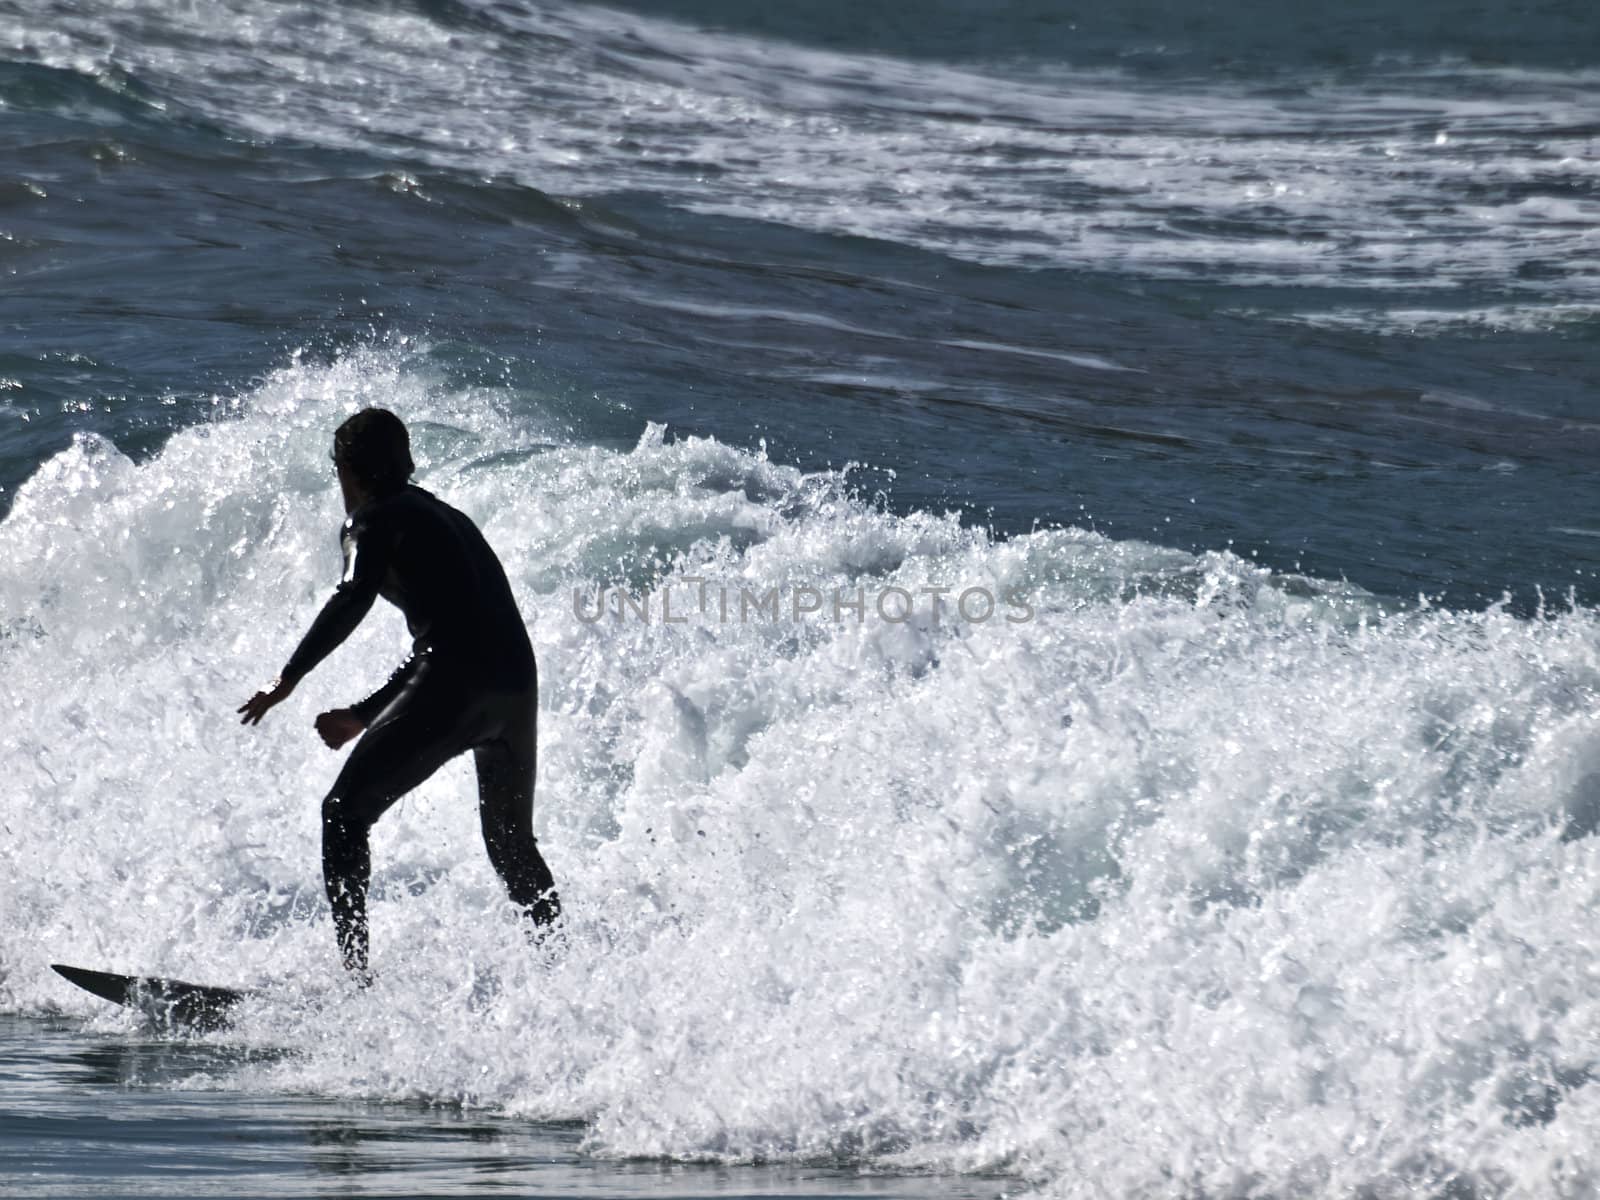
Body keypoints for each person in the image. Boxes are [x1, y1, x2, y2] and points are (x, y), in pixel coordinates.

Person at [239, 408, 558, 977]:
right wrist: (364, 714)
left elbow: (352, 598)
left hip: (456, 682)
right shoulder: (446, 517)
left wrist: (288, 677)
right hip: (514, 687)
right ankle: (565, 972)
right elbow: (453, 639)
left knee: (342, 815)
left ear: (347, 471)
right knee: (512, 850)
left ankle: (357, 983)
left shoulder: (372, 519)